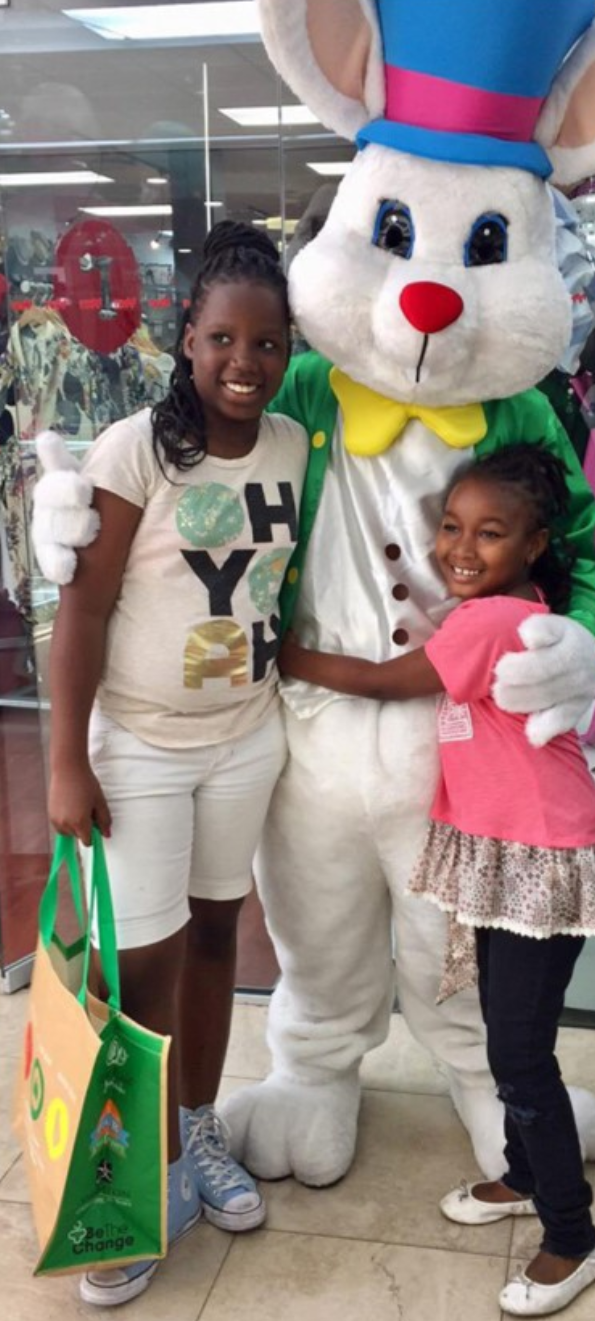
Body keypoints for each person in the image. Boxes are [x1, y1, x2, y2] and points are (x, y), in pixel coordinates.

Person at [278, 444, 595, 1318]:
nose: (459, 548)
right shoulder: (517, 604)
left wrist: (288, 654)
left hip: (537, 856)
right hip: (519, 848)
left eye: (490, 532)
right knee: (510, 1032)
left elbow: (381, 677)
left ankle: (572, 1235)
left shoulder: (484, 620)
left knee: (518, 1052)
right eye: (449, 526)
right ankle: (518, 1173)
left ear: (535, 542)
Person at [46, 220, 308, 1307]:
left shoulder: (295, 443)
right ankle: (132, 1183)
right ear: (184, 338)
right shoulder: (133, 451)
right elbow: (85, 608)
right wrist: (67, 759)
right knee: (140, 973)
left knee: (214, 937)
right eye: (221, 341)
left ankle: (198, 1136)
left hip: (245, 737)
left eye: (267, 344)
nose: (244, 365)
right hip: (142, 747)